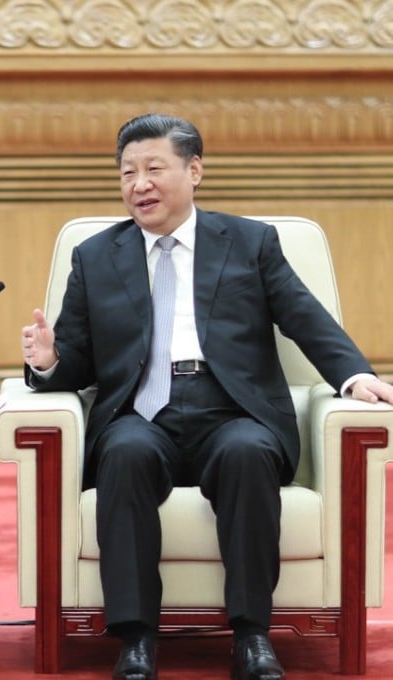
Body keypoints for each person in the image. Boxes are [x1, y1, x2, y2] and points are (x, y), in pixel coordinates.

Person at [20, 113, 393, 680]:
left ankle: (252, 636)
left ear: (194, 171)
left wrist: (353, 377)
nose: (138, 184)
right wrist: (49, 361)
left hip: (232, 410)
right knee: (123, 455)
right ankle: (137, 638)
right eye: (127, 173)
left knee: (247, 455)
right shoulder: (95, 257)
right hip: (141, 412)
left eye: (153, 169)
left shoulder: (249, 242)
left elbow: (305, 318)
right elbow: (77, 360)